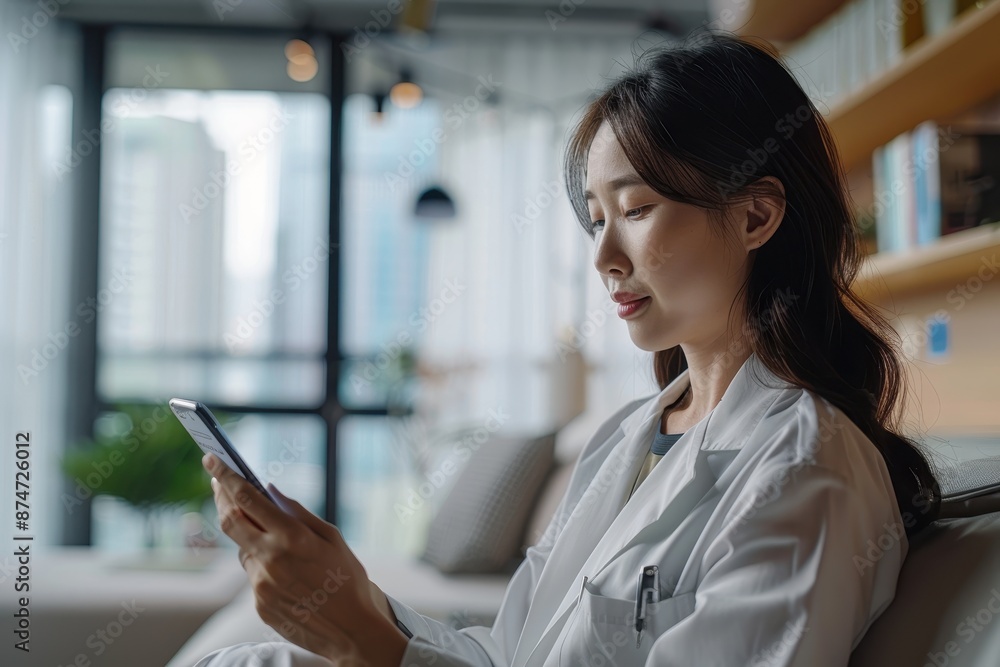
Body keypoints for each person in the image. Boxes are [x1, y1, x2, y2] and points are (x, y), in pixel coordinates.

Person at [194, 30, 942, 667]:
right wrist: (353, 598)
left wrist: (367, 643)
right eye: (596, 219)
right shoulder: (628, 436)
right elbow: (514, 653)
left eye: (638, 209)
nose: (604, 257)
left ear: (755, 216)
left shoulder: (805, 473)